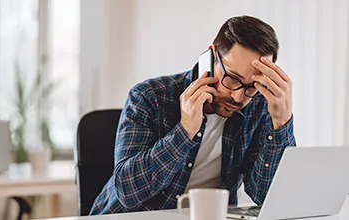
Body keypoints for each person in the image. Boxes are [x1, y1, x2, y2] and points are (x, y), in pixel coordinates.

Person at [90, 15, 296, 215]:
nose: (238, 96)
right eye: (232, 79)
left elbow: (266, 195)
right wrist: (185, 129)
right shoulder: (149, 96)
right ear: (211, 56)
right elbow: (128, 191)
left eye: (252, 86)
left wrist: (281, 122)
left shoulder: (259, 105)